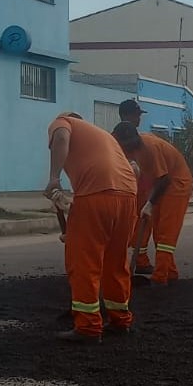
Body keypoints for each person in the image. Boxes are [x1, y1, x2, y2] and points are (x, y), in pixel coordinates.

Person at [45, 112, 138, 342]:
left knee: (84, 262)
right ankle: (120, 319)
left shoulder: (63, 123)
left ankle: (87, 327)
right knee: (115, 261)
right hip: (127, 197)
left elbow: (61, 139)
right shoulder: (103, 136)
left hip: (96, 194)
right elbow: (134, 170)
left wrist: (54, 178)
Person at [111, 122, 193, 285]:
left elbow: (164, 179)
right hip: (160, 184)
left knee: (166, 231)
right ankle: (170, 272)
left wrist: (149, 203)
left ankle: (160, 277)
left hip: (176, 184)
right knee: (157, 231)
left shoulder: (150, 148)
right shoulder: (130, 146)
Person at [119, 99, 156, 274]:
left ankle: (139, 261)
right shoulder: (118, 138)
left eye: (139, 115)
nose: (139, 119)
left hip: (142, 189)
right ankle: (119, 265)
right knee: (124, 227)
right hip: (126, 190)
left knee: (143, 226)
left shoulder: (139, 138)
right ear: (125, 115)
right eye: (136, 115)